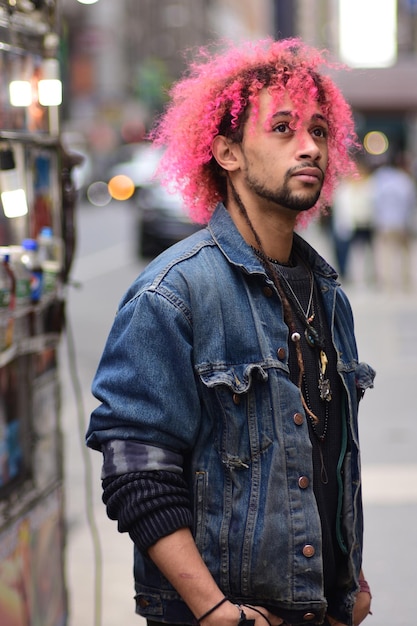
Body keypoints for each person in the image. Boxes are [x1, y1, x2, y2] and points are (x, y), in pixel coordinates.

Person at [86, 38, 376, 626]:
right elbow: (135, 472)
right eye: (284, 129)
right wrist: (213, 609)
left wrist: (354, 580)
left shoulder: (328, 294)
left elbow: (330, 457)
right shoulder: (173, 294)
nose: (309, 147)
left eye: (319, 131)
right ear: (226, 152)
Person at [370, 153, 417, 291]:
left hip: (384, 222)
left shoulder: (380, 180)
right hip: (401, 222)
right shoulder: (405, 181)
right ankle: (404, 280)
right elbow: (411, 202)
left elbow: (374, 201)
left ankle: (387, 281)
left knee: (385, 253)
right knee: (404, 253)